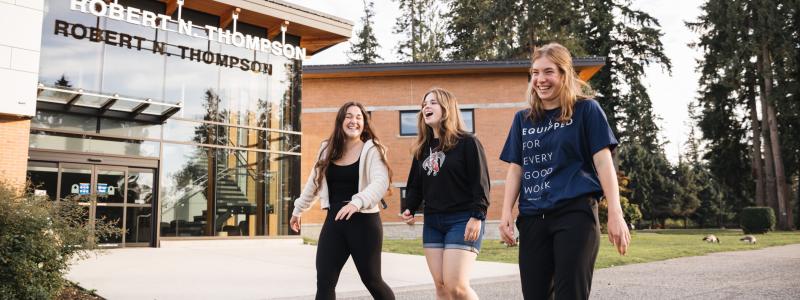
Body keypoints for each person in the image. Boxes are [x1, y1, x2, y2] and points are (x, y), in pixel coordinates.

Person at [497, 43, 631, 300]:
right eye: (535, 73)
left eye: (548, 72)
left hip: (575, 215)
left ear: (564, 74)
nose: (540, 79)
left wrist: (615, 213)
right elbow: (516, 169)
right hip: (533, 217)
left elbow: (604, 163)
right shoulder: (523, 119)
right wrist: (506, 212)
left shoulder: (587, 110)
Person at [290, 102, 395, 300]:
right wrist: (298, 210)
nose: (353, 121)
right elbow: (314, 182)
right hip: (335, 221)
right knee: (324, 282)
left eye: (358, 117)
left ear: (364, 123)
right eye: (348, 116)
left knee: (372, 279)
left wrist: (357, 202)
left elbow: (380, 182)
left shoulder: (372, 149)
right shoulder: (327, 149)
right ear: (340, 121)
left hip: (364, 222)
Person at [401, 87, 490, 300]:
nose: (426, 107)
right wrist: (409, 208)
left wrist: (477, 216)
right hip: (433, 222)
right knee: (441, 287)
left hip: (462, 219)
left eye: (432, 102)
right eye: (424, 104)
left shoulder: (467, 143)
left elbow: (481, 183)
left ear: (447, 108)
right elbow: (415, 184)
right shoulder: (422, 148)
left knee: (456, 286)